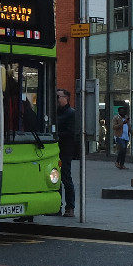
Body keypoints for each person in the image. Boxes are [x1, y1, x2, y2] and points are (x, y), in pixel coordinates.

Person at [54, 88, 79, 217]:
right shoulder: (54, 112)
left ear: (66, 98)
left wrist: (55, 135)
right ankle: (57, 206)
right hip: (54, 150)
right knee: (55, 178)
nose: (56, 99)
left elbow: (71, 132)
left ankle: (70, 207)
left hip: (65, 150)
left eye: (58, 97)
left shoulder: (71, 113)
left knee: (66, 178)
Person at [112, 106, 131, 170]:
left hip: (126, 136)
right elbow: (114, 127)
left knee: (124, 151)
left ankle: (122, 164)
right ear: (119, 112)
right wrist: (122, 123)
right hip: (119, 136)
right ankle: (117, 161)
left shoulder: (126, 118)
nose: (123, 113)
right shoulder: (116, 118)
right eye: (122, 112)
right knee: (122, 148)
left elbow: (129, 127)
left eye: (124, 112)